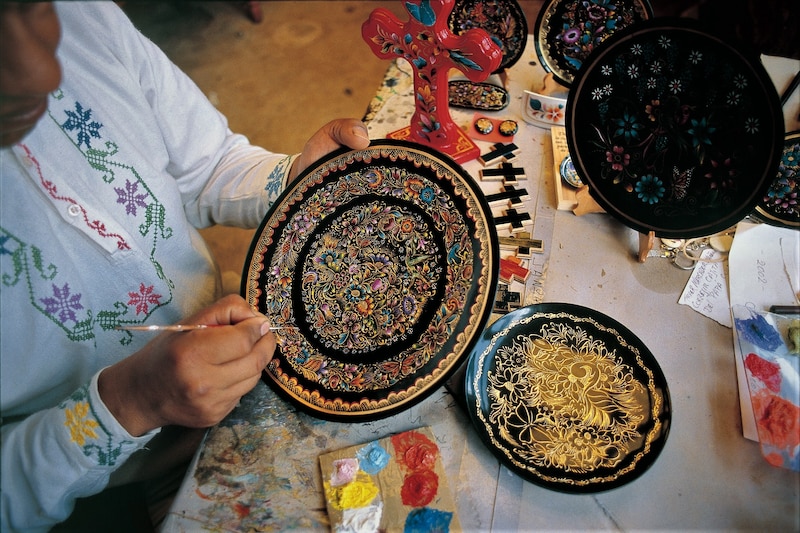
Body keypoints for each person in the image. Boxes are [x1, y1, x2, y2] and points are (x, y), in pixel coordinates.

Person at [0, 2, 370, 530]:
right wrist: (130, 403)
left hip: (246, 361)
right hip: (100, 493)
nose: (41, 70)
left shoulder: (82, 15)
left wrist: (294, 181)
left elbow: (205, 164)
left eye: (28, 6)